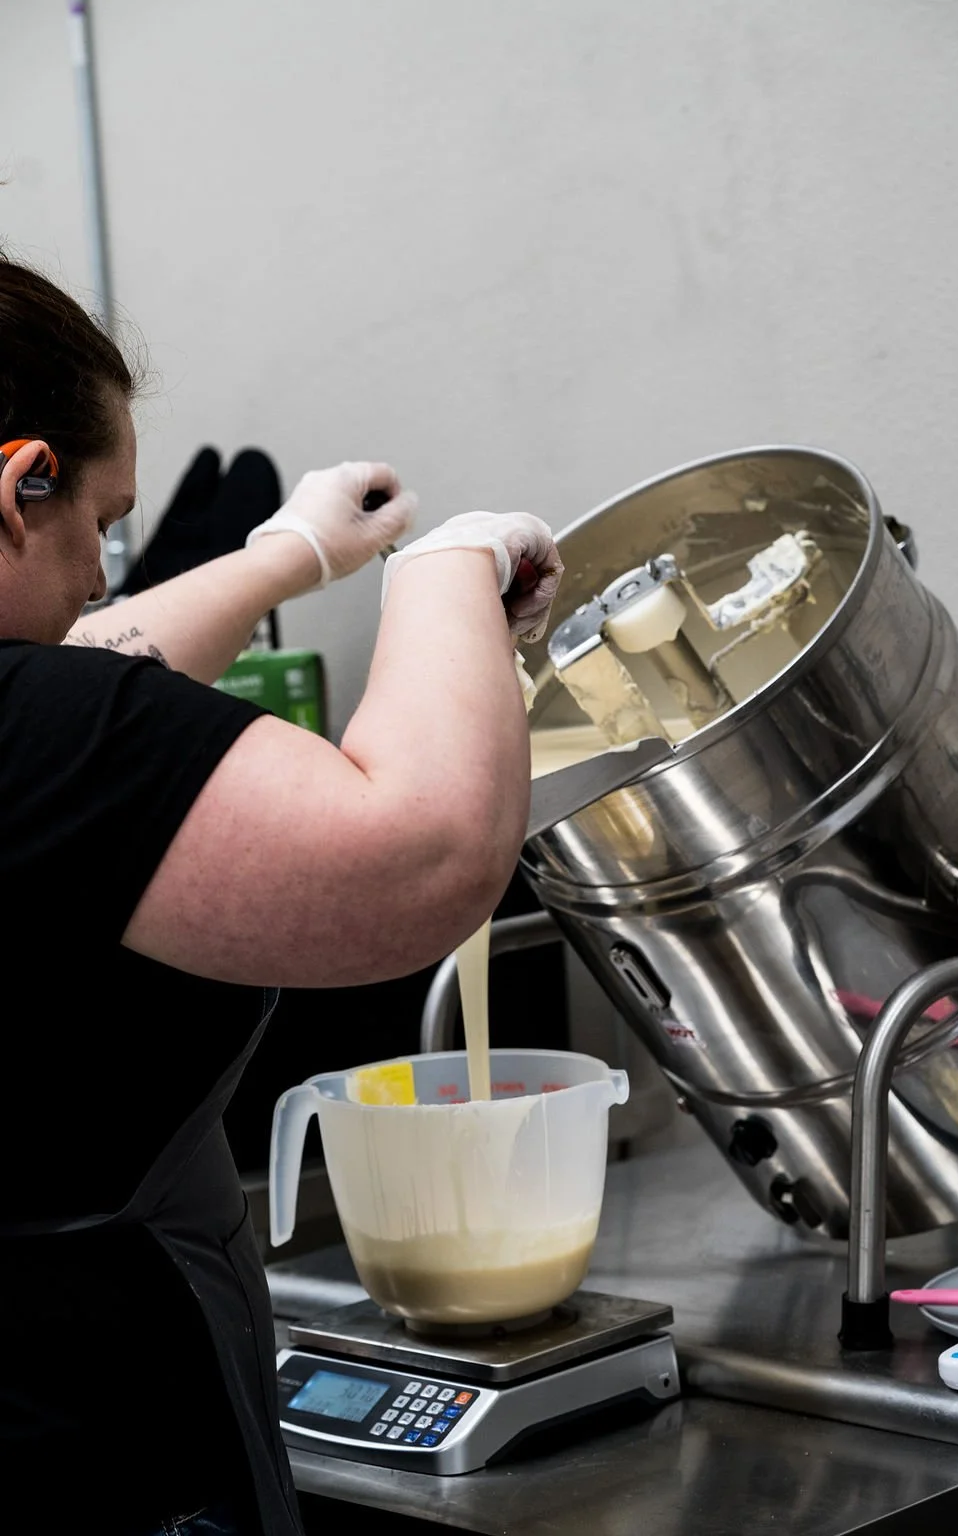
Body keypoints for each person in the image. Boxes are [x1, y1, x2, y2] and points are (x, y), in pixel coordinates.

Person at [0, 255, 563, 1536]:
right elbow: (423, 854)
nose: (102, 574)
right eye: (101, 520)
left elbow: (84, 683)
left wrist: (283, 559)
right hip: (82, 1457)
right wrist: (442, 573)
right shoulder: (28, 727)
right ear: (18, 483)